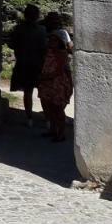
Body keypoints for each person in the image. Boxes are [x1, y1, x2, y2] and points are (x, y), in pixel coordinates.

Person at [38, 12, 74, 143]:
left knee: (57, 109)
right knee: (49, 108)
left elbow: (58, 70)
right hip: (48, 83)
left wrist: (45, 77)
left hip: (57, 83)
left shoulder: (61, 54)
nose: (50, 42)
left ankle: (61, 133)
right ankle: (53, 130)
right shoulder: (49, 52)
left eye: (53, 40)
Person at [8, 4, 47, 124]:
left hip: (23, 63)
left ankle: (29, 118)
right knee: (43, 91)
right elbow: (44, 48)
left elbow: (11, 44)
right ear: (37, 16)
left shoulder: (18, 29)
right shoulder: (42, 30)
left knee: (28, 91)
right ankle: (47, 118)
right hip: (38, 64)